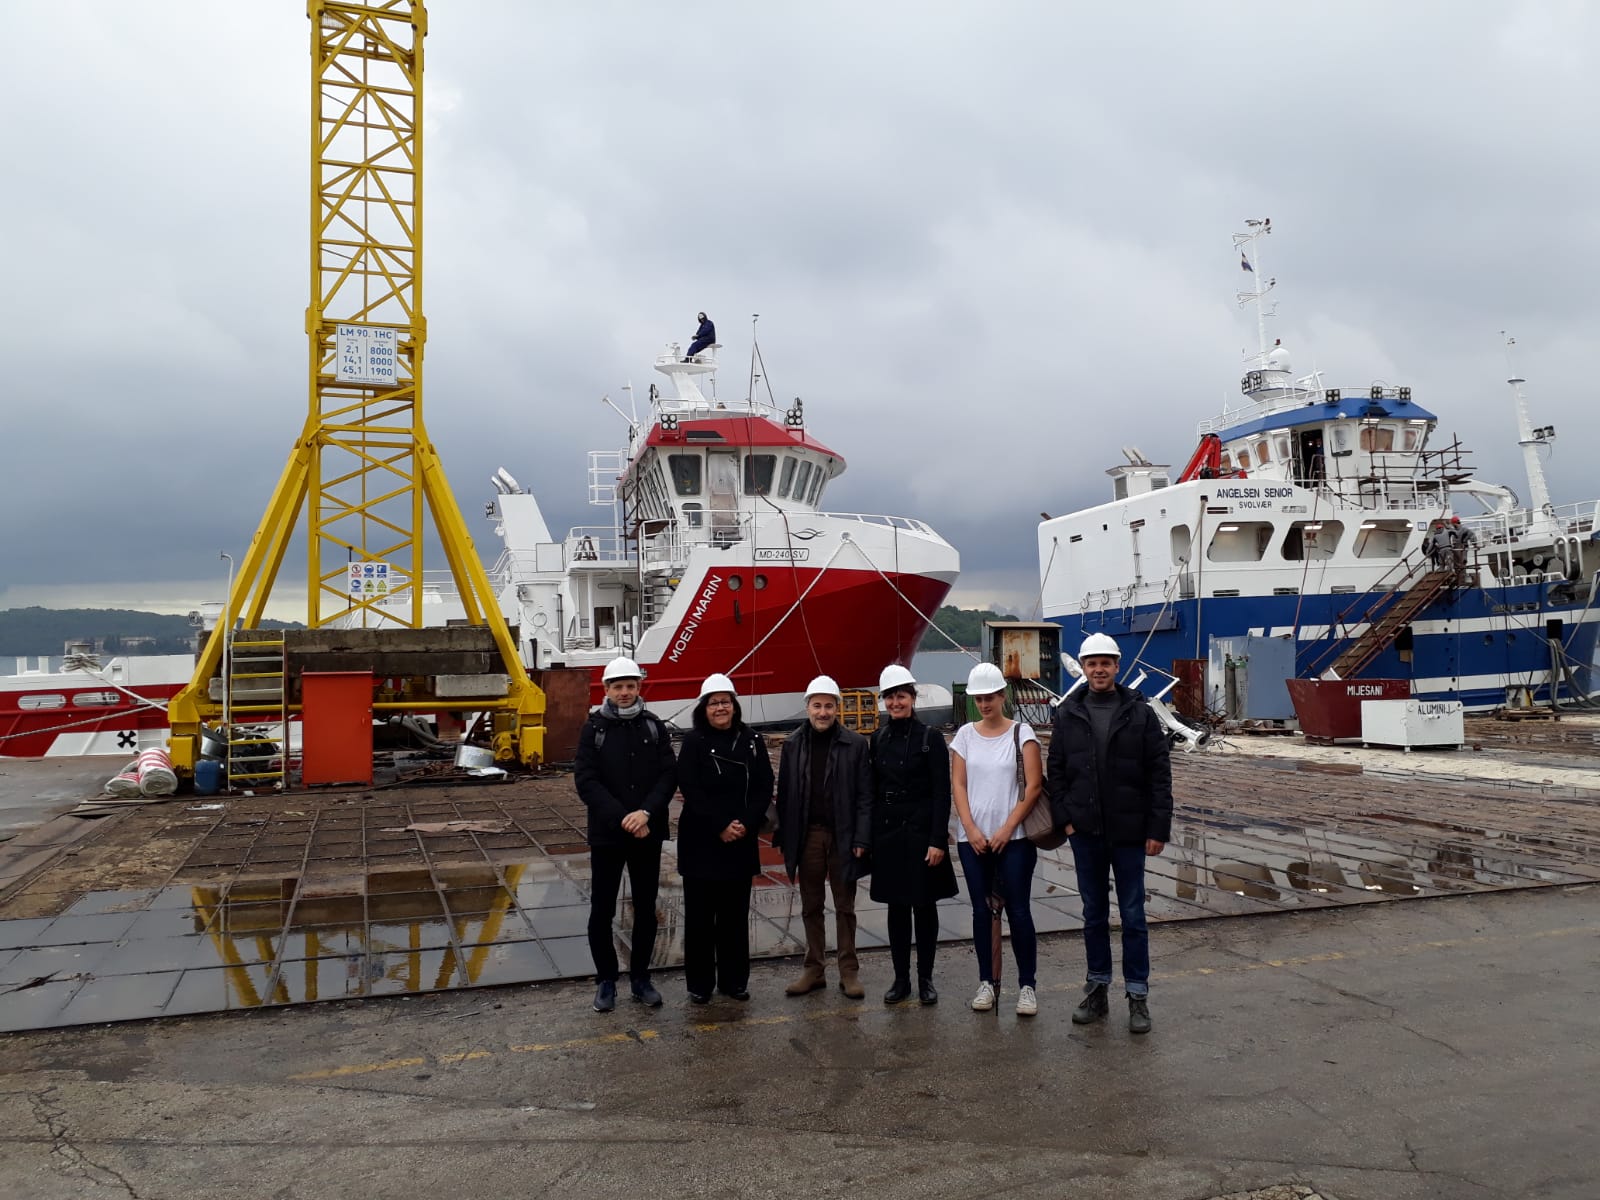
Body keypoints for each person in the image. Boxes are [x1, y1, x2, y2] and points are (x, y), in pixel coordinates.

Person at [1048, 633, 1172, 1035]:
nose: (1099, 669)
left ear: (1117, 666)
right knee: (1093, 914)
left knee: (1133, 915)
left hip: (1130, 833)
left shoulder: (1140, 713)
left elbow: (1159, 774)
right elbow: (1056, 772)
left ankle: (1137, 995)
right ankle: (1097, 989)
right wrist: (1067, 821)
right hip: (1086, 833)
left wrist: (1157, 828)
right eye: (1092, 663)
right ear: (1083, 668)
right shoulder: (1068, 714)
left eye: (1106, 663)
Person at [574, 656, 677, 1013]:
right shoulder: (594, 729)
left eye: (630, 686)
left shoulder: (653, 726)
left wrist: (646, 812)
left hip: (647, 831)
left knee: (645, 908)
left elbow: (668, 775)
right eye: (617, 686)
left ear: (638, 687)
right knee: (601, 908)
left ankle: (640, 979)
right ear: (606, 689)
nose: (624, 692)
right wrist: (624, 818)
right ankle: (606, 980)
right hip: (608, 834)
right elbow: (586, 780)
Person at [950, 662, 1044, 1017]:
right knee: (981, 911)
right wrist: (970, 828)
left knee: (1019, 911)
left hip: (1015, 839)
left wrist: (1007, 828)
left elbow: (1033, 787)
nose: (984, 704)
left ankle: (1027, 986)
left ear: (1003, 696)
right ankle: (986, 982)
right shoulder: (965, 736)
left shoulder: (1022, 733)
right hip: (973, 840)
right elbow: (958, 784)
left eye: (990, 697)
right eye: (978, 699)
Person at [675, 673, 773, 1004]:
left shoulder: (752, 740)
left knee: (734, 917)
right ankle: (700, 984)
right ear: (704, 708)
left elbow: (764, 785)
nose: (720, 708)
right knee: (700, 918)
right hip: (702, 840)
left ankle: (734, 981)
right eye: (714, 703)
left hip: (740, 840)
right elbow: (690, 787)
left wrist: (746, 822)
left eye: (725, 702)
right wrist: (720, 824)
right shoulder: (693, 742)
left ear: (734, 705)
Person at [773, 674, 872, 998]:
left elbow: (865, 796)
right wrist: (785, 837)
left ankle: (849, 971)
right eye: (817, 706)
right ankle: (813, 969)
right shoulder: (793, 745)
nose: (823, 712)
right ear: (808, 707)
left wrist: (861, 838)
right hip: (809, 836)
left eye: (829, 706)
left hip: (843, 835)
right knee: (811, 905)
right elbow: (785, 794)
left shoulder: (855, 745)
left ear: (837, 708)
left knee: (845, 906)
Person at [868, 664, 959, 1006]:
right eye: (890, 697)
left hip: (922, 834)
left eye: (901, 696)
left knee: (924, 907)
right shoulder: (877, 739)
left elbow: (941, 793)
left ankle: (925, 979)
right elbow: (873, 791)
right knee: (896, 909)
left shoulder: (930, 738)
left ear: (912, 698)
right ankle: (901, 979)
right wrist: (872, 838)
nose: (895, 703)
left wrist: (938, 840)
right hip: (890, 834)